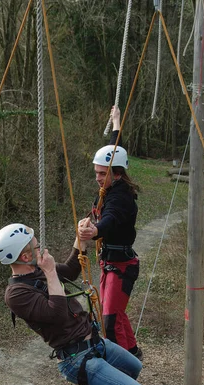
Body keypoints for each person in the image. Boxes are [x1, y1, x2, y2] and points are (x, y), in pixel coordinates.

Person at [0, 223, 151, 385]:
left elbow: (70, 270)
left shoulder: (38, 270)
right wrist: (50, 273)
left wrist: (80, 241)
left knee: (132, 366)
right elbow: (56, 312)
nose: (42, 249)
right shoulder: (16, 295)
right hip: (76, 358)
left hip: (94, 342)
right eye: (37, 247)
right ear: (25, 257)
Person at [78, 106, 143, 359]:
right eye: (96, 173)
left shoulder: (120, 197)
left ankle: (122, 362)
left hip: (122, 266)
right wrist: (116, 123)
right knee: (113, 313)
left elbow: (110, 218)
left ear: (117, 173)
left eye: (102, 174)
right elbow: (115, 149)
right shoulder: (112, 183)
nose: (97, 178)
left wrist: (94, 230)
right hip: (111, 262)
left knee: (110, 319)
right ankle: (133, 352)